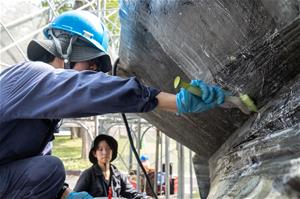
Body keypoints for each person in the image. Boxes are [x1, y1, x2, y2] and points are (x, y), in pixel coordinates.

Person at [0, 10, 225, 199]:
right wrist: (174, 101)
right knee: (52, 168)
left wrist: (67, 194)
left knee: (48, 168)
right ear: (68, 49)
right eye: (93, 63)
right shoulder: (33, 75)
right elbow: (87, 89)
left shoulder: (42, 108)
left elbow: (34, 168)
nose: (94, 71)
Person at [74, 134, 146, 198]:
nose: (105, 152)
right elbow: (75, 196)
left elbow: (132, 193)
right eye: (100, 149)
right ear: (94, 153)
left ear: (112, 152)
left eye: (108, 149)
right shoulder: (88, 175)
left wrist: (145, 198)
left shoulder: (118, 175)